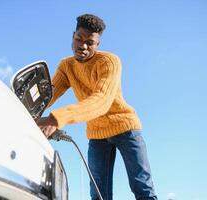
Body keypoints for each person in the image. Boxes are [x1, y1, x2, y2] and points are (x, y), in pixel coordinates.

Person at [37, 14, 158, 200]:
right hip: (97, 135)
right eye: (79, 39)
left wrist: (56, 119)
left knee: (141, 187)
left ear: (98, 44)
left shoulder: (109, 62)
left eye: (90, 42)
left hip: (126, 128)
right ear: (72, 36)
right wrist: (26, 111)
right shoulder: (66, 66)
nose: (83, 46)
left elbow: (101, 100)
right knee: (98, 194)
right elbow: (48, 96)